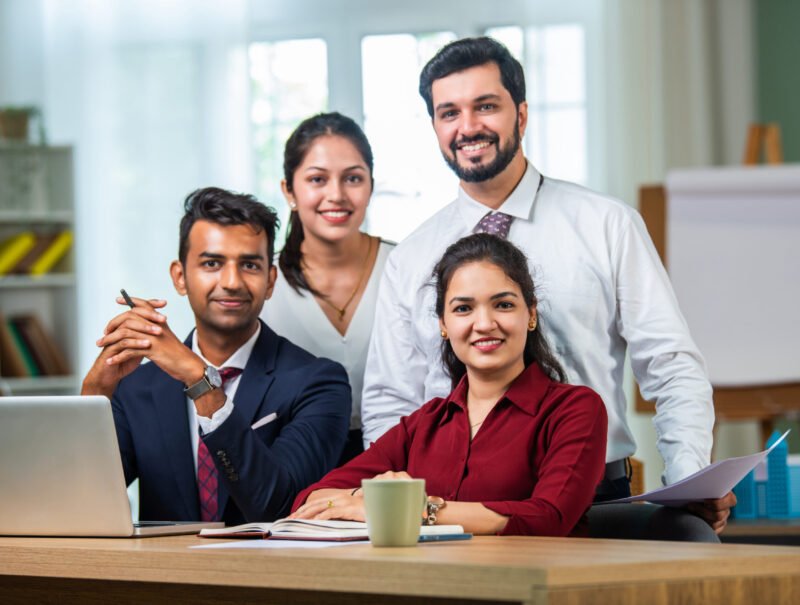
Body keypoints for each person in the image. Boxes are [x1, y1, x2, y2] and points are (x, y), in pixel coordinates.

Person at [360, 36, 734, 536]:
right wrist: (398, 509)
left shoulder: (607, 224)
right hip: (447, 514)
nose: (468, 126)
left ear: (522, 113)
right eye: (449, 112)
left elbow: (669, 363)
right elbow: (391, 399)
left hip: (594, 507)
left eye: (486, 106)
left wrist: (688, 478)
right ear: (434, 126)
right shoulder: (411, 258)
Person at [291, 234, 607, 537]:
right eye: (463, 309)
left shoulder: (575, 409)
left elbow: (547, 517)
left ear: (531, 314)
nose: (484, 324)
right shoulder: (425, 423)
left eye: (504, 305)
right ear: (443, 324)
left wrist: (412, 508)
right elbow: (310, 500)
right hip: (431, 585)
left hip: (532, 586)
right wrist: (369, 496)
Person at [81, 187, 351, 524]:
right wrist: (94, 395)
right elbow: (78, 504)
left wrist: (200, 381)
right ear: (180, 277)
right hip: (159, 574)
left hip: (272, 573)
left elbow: (279, 507)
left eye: (250, 265)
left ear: (270, 281)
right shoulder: (136, 388)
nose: (231, 282)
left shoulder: (320, 383)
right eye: (212, 263)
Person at [262, 112, 394, 464]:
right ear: (289, 190)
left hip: (397, 465)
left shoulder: (405, 267)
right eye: (317, 179)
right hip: (290, 464)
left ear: (370, 185)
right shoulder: (260, 282)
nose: (336, 195)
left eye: (353, 178)